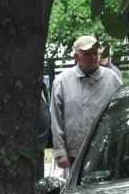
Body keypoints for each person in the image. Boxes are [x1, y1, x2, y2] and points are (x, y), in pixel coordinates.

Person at [50, 35, 122, 170]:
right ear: (76, 57)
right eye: (87, 54)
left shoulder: (111, 78)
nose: (93, 58)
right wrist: (60, 152)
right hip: (74, 153)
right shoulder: (62, 81)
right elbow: (56, 118)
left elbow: (121, 111)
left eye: (95, 53)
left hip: (105, 149)